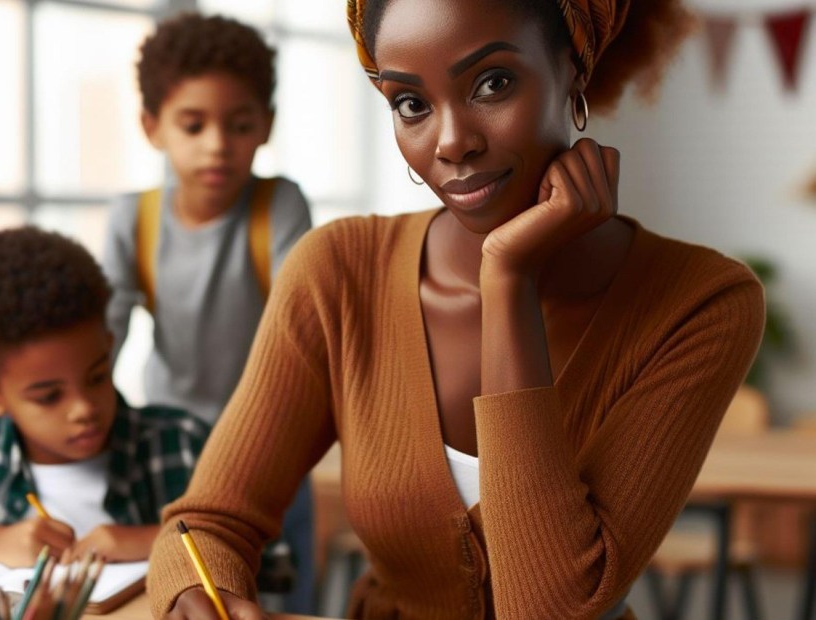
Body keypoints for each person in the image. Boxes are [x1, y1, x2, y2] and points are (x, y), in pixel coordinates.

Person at [147, 0, 765, 618]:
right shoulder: (338, 272)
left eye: (493, 84)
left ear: (573, 70)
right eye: (411, 104)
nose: (451, 143)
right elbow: (202, 525)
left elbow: (552, 609)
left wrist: (507, 279)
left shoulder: (701, 303)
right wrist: (197, 589)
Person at [101, 11, 315, 613]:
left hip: (272, 449)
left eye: (240, 124)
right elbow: (104, 337)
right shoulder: (134, 219)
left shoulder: (279, 206)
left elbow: (299, 327)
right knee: (186, 595)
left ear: (266, 125)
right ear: (152, 126)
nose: (217, 144)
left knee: (280, 594)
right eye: (192, 125)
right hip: (174, 457)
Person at [0, 227, 210, 568]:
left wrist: (153, 540)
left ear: (109, 346)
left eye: (97, 377)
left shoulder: (180, 442)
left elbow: (267, 544)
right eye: (49, 397)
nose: (84, 409)